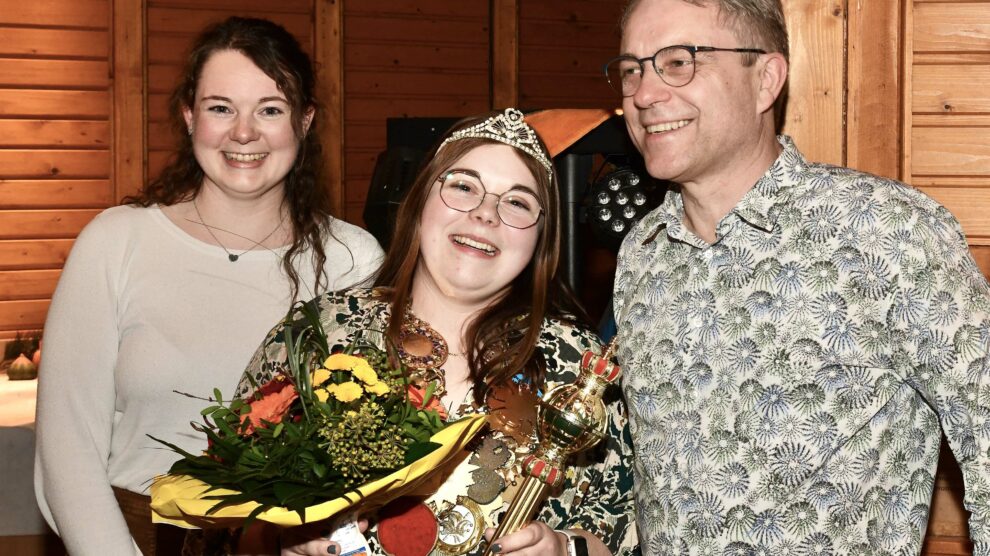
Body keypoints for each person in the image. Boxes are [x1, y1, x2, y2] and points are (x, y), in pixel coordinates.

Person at [606, 0, 990, 554]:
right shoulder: (641, 254)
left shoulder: (883, 229)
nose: (644, 93)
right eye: (632, 69)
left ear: (765, 80)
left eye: (680, 61)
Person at [34, 17, 383, 556]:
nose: (244, 132)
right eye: (221, 108)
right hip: (131, 539)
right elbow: (67, 445)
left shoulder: (352, 259)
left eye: (270, 109)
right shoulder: (116, 242)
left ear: (305, 121)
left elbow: (367, 445)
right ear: (189, 115)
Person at [237, 108, 639, 556]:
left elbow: (626, 531)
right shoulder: (317, 336)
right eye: (464, 186)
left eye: (518, 202)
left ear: (542, 239)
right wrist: (281, 542)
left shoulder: (580, 366)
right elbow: (225, 524)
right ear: (419, 203)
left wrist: (565, 550)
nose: (486, 213)